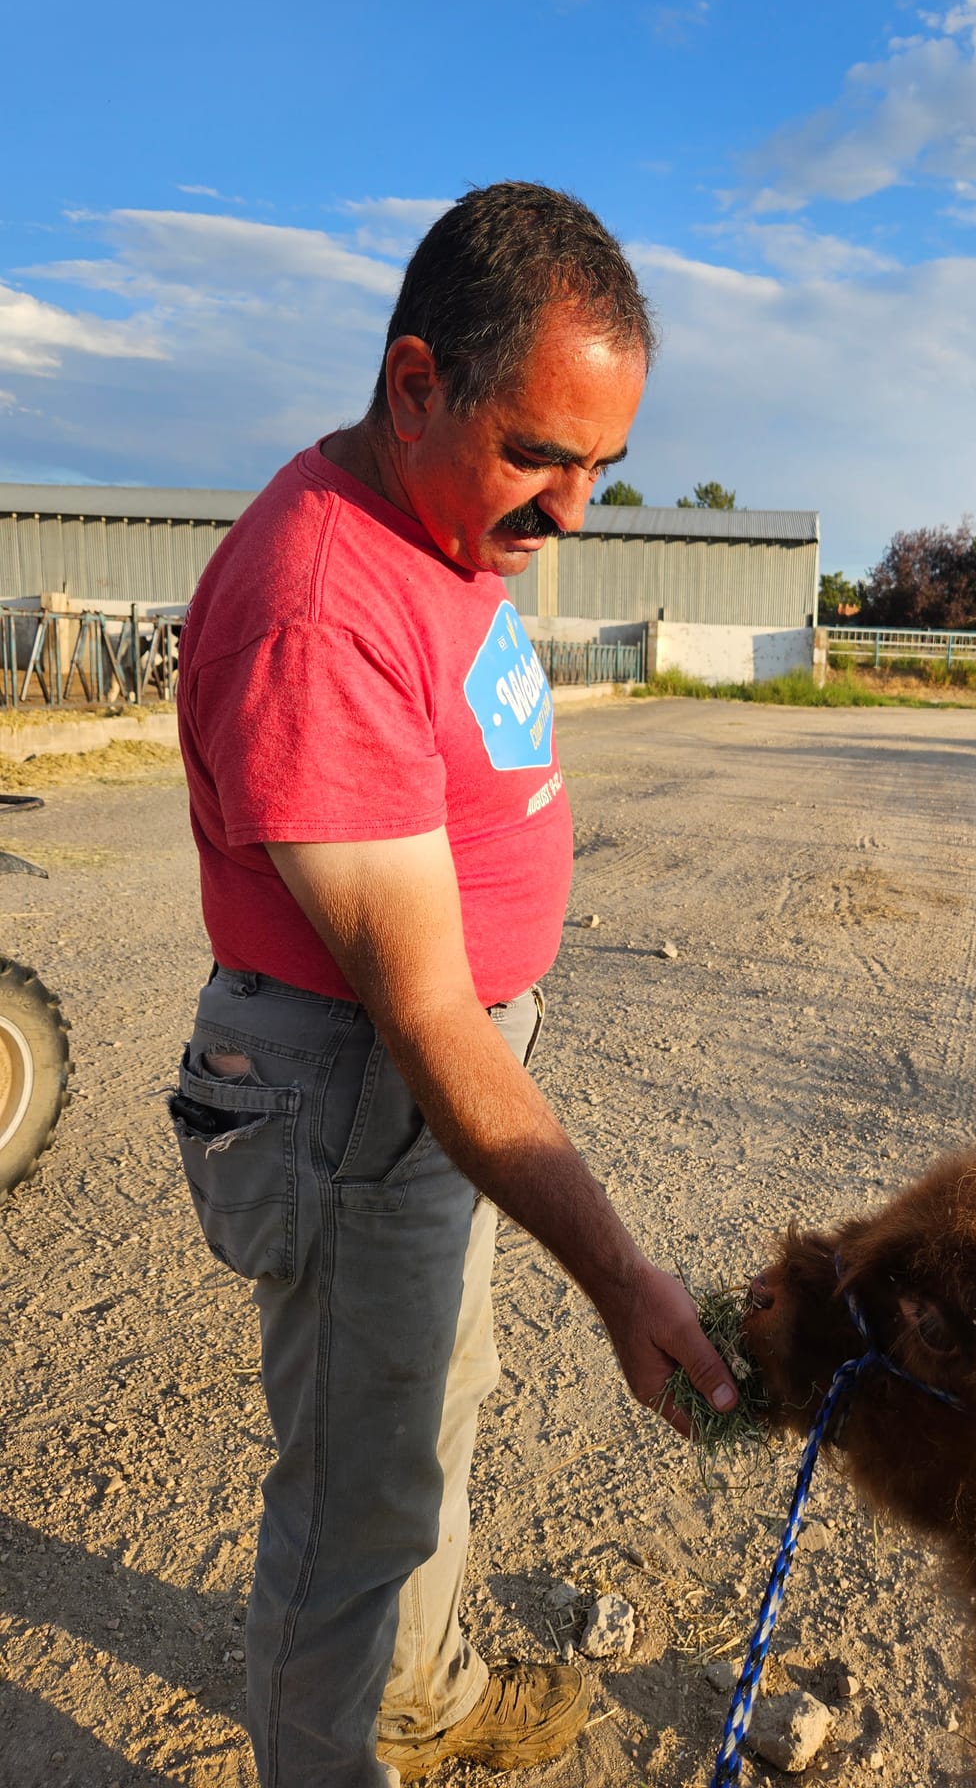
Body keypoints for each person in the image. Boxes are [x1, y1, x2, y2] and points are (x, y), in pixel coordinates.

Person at [172, 183, 738, 1787]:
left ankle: (417, 1697)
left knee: (431, 1409)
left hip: (435, 1089)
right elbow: (420, 1012)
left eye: (602, 467)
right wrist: (623, 1277)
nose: (575, 511)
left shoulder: (444, 520)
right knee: (354, 1508)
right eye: (542, 455)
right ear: (415, 382)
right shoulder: (318, 605)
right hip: (366, 1083)